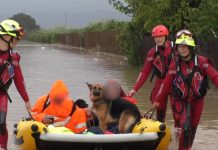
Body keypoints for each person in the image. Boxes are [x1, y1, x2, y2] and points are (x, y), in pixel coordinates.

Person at [153, 30, 218, 150]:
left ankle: (184, 145)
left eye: (185, 46)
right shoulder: (174, 66)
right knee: (185, 127)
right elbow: (165, 85)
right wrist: (157, 99)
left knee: (192, 129)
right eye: (180, 46)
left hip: (197, 101)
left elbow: (215, 76)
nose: (182, 49)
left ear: (191, 46)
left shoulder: (202, 62)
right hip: (179, 100)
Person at [128, 25, 174, 122]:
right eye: (156, 37)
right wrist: (134, 89)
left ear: (166, 36)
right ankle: (161, 129)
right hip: (160, 82)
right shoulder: (152, 53)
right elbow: (144, 72)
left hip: (174, 82)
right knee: (160, 111)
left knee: (178, 112)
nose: (158, 39)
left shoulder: (176, 48)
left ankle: (179, 132)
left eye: (160, 37)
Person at [0, 19, 31, 149]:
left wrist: (27, 100)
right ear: (6, 36)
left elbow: (19, 80)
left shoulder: (14, 59)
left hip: (1, 95)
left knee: (1, 123)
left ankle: (3, 147)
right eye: (16, 39)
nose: (17, 42)